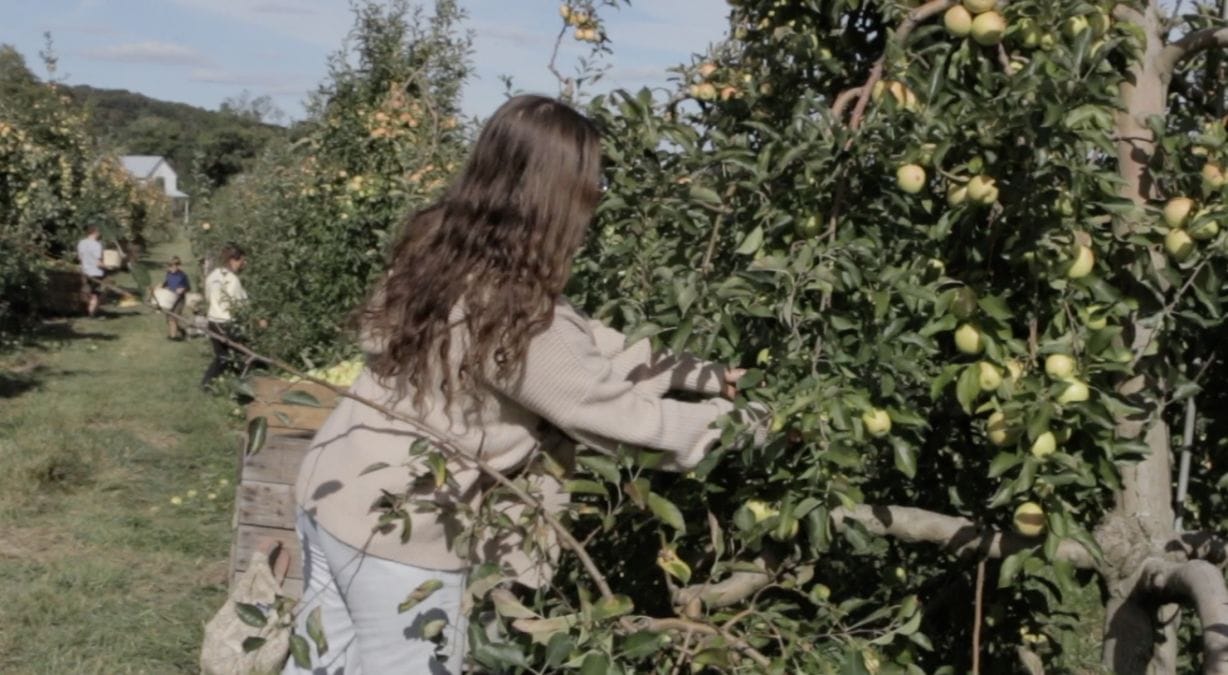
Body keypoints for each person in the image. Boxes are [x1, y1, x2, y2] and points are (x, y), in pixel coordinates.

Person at [287, 95, 765, 675]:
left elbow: (582, 344)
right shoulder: (516, 317)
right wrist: (749, 426)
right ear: (557, 197)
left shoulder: (438, 250)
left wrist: (697, 374)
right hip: (403, 538)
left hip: (332, 487)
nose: (594, 204)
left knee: (319, 664)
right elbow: (624, 422)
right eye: (589, 188)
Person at [201, 244, 248, 388]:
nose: (243, 264)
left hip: (213, 321)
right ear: (234, 260)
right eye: (242, 261)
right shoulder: (233, 280)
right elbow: (240, 305)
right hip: (227, 322)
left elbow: (208, 297)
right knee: (240, 354)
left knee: (223, 356)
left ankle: (209, 383)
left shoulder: (213, 275)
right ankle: (241, 385)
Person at [77, 225, 105, 318]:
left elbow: (80, 258)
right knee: (95, 294)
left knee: (85, 291)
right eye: (99, 232)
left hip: (84, 271)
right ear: (95, 233)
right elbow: (98, 263)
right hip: (95, 272)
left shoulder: (81, 243)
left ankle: (84, 311)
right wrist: (106, 266)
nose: (100, 234)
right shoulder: (97, 245)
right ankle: (91, 313)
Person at [162, 256, 191, 340]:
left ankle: (172, 337)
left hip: (179, 300)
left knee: (173, 318)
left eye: (176, 265)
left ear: (178, 265)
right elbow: (167, 283)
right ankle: (182, 331)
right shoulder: (168, 274)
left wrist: (183, 289)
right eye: (171, 265)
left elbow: (188, 287)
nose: (173, 267)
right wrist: (162, 287)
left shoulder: (182, 275)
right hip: (170, 299)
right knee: (169, 320)